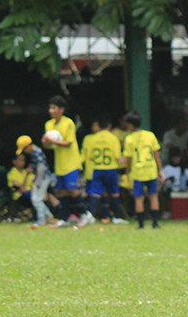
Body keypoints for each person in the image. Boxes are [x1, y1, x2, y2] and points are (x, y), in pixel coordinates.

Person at [44, 95, 91, 227]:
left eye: (54, 108)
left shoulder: (68, 123)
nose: (51, 111)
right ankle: (64, 218)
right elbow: (49, 146)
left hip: (71, 162)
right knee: (61, 191)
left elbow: (68, 143)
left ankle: (84, 213)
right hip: (60, 163)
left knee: (72, 189)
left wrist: (52, 141)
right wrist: (46, 142)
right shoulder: (49, 124)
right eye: (50, 108)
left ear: (61, 110)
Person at [120, 110, 164, 229]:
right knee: (153, 196)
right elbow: (156, 154)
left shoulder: (129, 139)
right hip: (150, 170)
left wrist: (127, 171)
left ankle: (141, 224)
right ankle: (155, 223)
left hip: (138, 171)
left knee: (139, 198)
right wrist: (160, 170)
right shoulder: (150, 135)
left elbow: (128, 158)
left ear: (130, 124)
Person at [82, 115, 128, 224]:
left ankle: (91, 215)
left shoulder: (93, 138)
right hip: (110, 168)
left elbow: (90, 156)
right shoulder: (113, 138)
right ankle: (116, 217)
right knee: (114, 193)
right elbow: (117, 155)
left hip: (97, 168)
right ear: (109, 126)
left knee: (95, 192)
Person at [16, 135, 54, 227]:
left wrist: (37, 182)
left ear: (28, 146)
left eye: (24, 149)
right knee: (36, 198)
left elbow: (41, 167)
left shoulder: (36, 152)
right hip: (41, 178)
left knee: (36, 199)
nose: (25, 152)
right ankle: (49, 216)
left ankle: (42, 220)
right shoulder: (35, 152)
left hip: (42, 178)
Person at [5, 153, 33, 221]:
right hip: (19, 196)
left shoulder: (26, 172)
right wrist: (26, 176)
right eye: (21, 160)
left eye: (24, 160)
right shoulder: (11, 173)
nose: (23, 162)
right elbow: (21, 188)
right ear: (14, 161)